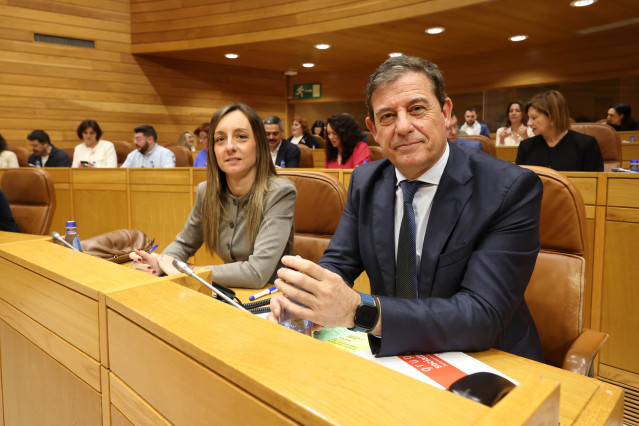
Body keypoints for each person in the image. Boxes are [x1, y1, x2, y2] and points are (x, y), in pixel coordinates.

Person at [269, 55, 544, 362]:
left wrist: (359, 310)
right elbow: (339, 262)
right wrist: (306, 298)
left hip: (488, 360)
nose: (402, 127)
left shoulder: (509, 188)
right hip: (396, 355)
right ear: (373, 129)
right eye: (387, 116)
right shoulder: (366, 181)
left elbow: (483, 314)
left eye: (416, 109)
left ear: (445, 112)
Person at [129, 103, 297, 289]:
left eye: (241, 137)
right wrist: (159, 262)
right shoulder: (206, 191)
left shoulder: (280, 193)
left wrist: (186, 271)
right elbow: (184, 245)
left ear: (259, 144)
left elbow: (257, 273)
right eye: (220, 139)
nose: (230, 146)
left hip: (272, 298)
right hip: (227, 292)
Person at [516, 90, 604, 172]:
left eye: (534, 118)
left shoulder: (586, 144)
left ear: (553, 116)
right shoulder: (526, 146)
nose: (528, 123)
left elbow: (594, 184)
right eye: (528, 118)